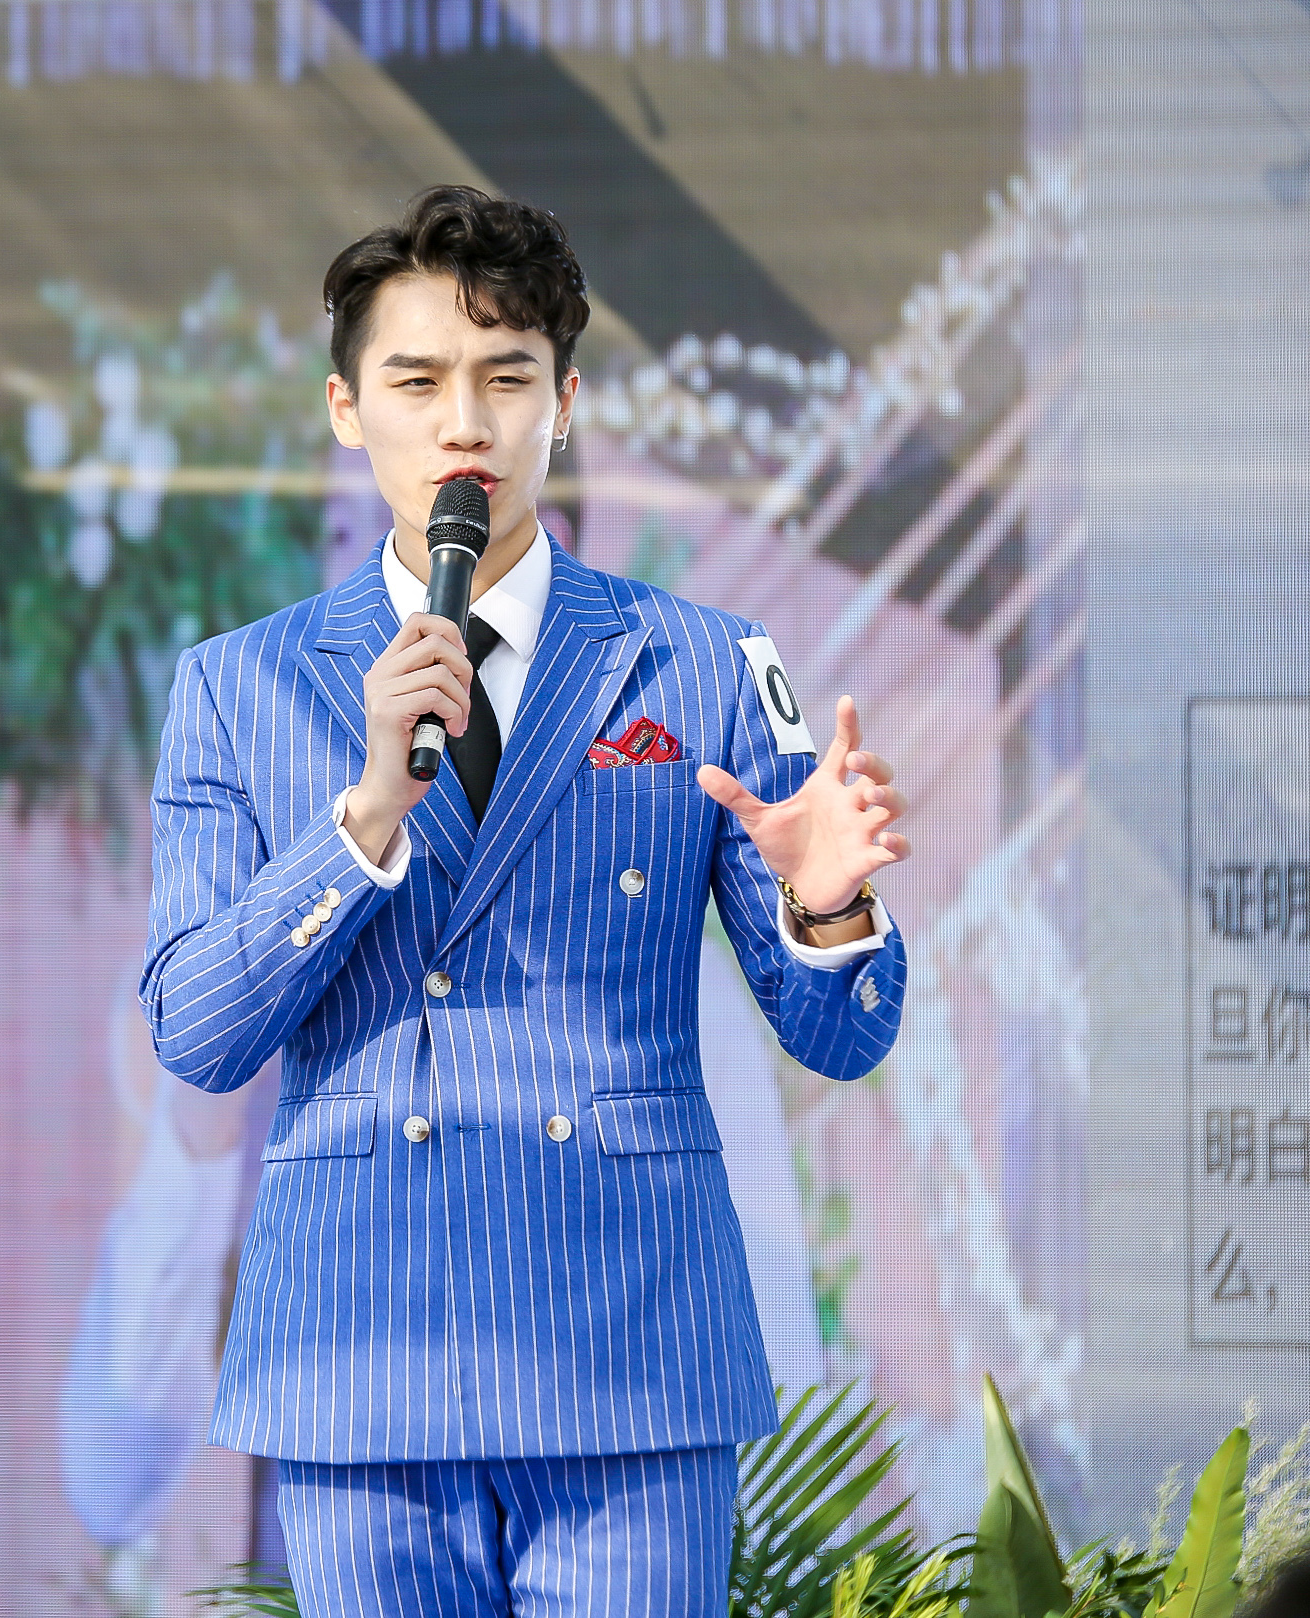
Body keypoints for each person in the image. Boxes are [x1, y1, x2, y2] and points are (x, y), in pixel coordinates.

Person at [136, 184, 911, 1617]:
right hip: (361, 1356)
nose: (465, 425)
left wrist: (824, 913)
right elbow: (194, 1031)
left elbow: (843, 1036)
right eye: (415, 382)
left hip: (628, 1349)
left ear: (566, 403)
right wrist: (364, 819)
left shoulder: (699, 663)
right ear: (344, 410)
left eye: (506, 379)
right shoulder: (240, 688)